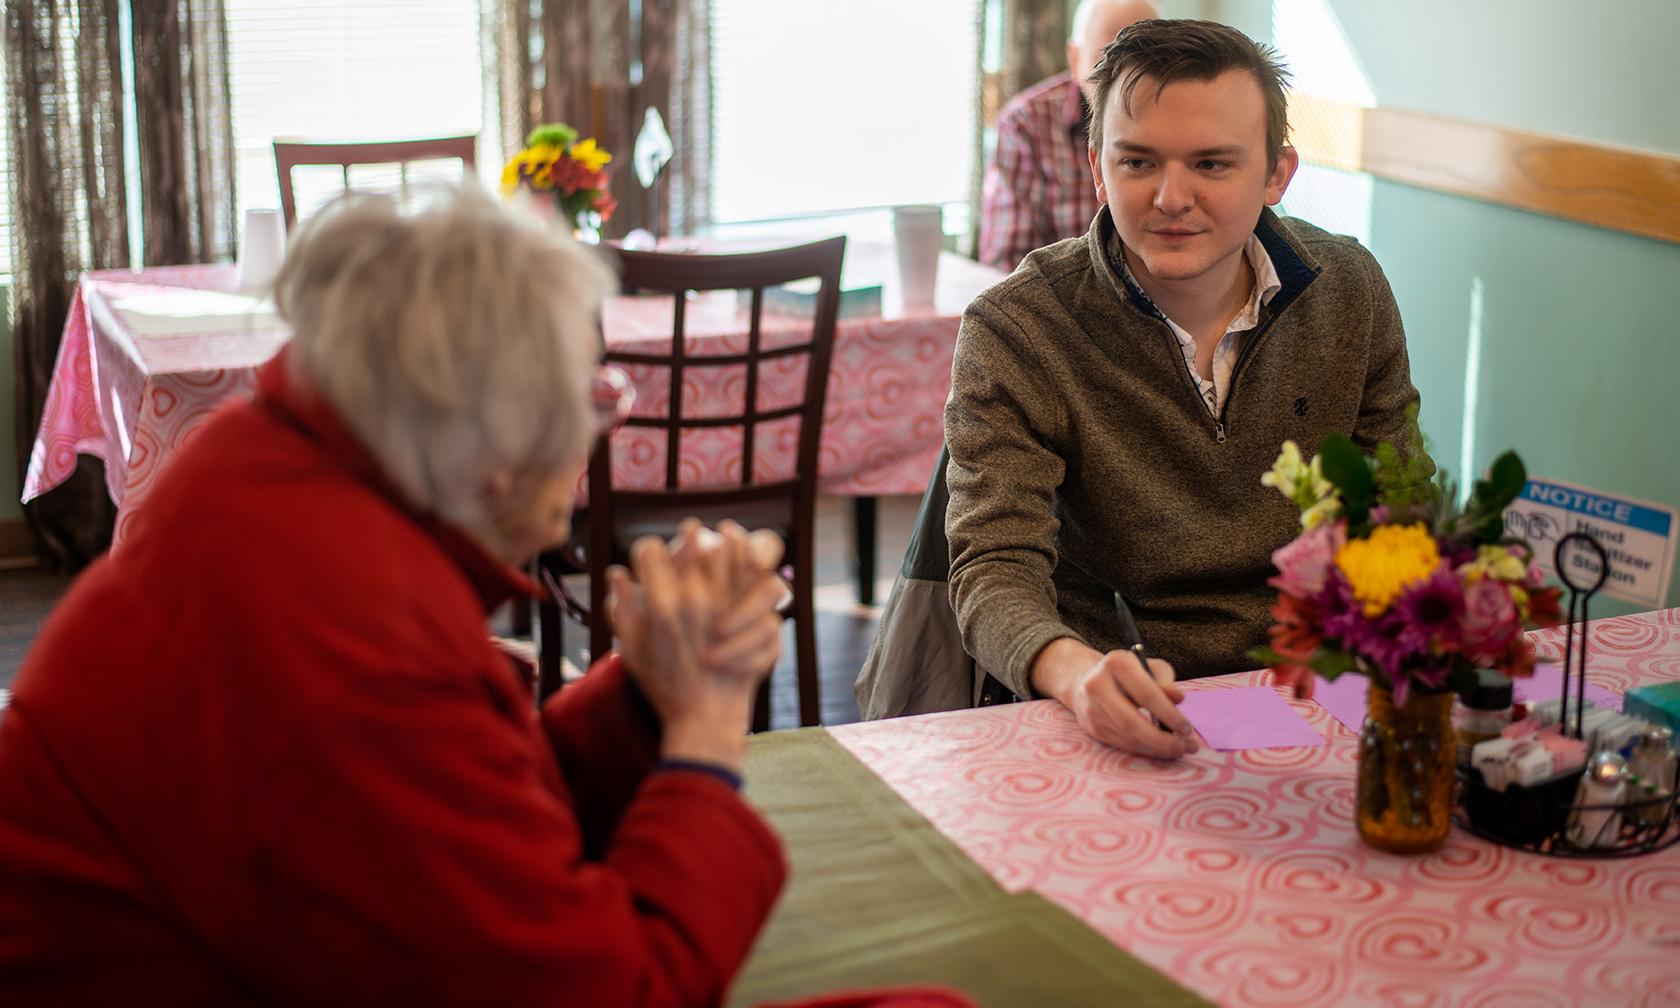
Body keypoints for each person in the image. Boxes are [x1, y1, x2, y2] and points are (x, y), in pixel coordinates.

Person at [0, 187, 968, 1008]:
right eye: (588, 403)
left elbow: (457, 795)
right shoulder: (355, 642)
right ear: (499, 447)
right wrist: (710, 731)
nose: (592, 438)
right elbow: (614, 991)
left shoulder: (255, 466)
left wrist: (649, 690)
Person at [944, 20, 1430, 758]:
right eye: (1138, 162)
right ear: (1098, 170)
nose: (1172, 197)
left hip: (1317, 688)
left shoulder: (1349, 292)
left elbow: (1399, 509)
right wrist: (1075, 675)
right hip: (1115, 696)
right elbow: (992, 567)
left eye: (1211, 164)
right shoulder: (1019, 326)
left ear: (1277, 174)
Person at [978, 0, 1158, 271]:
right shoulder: (1026, 123)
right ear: (1075, 58)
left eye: (1146, 61)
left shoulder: (1187, 120)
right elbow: (1008, 267)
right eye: (1110, 61)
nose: (1127, 80)